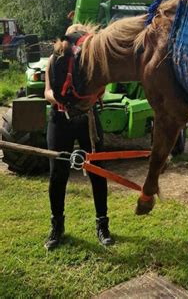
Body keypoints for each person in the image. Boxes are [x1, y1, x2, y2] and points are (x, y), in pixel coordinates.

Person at [43, 25, 113, 250]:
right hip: (60, 118)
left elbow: (101, 88)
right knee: (57, 174)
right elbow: (47, 92)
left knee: (97, 171)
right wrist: (60, 98)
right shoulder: (54, 61)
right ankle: (57, 227)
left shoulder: (91, 62)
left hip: (87, 119)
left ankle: (103, 225)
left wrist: (85, 100)